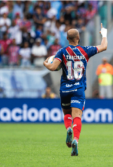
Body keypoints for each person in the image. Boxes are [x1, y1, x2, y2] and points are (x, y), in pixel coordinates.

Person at [43, 23, 108, 156]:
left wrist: (46, 63)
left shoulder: (62, 51)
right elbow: (103, 46)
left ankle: (68, 129)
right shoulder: (85, 50)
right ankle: (76, 140)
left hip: (65, 89)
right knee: (77, 116)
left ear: (67, 39)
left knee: (67, 114)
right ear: (78, 37)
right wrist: (104, 34)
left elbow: (52, 67)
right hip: (78, 89)